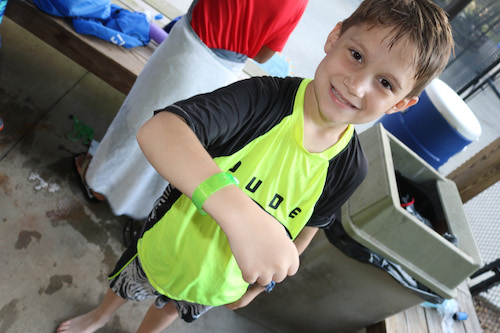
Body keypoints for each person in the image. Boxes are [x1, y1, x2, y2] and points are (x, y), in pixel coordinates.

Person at [57, 0, 454, 332]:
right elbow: (160, 131)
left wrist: (260, 286)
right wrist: (241, 214)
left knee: (171, 308)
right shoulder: (263, 98)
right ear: (334, 38)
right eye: (356, 55)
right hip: (166, 244)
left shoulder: (350, 169)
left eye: (385, 83)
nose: (358, 85)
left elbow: (308, 229)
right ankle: (98, 317)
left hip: (219, 281)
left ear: (402, 104)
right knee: (128, 283)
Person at [75, 0, 308, 220]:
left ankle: (97, 185)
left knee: (138, 121)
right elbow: (263, 54)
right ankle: (137, 205)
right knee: (176, 141)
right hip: (225, 73)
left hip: (188, 50)